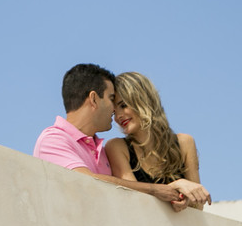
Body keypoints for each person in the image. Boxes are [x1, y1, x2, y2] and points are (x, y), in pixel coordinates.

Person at [34, 63, 209, 211]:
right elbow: (86, 180)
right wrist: (161, 189)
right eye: (112, 101)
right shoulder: (54, 140)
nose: (115, 114)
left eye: (123, 105)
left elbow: (197, 208)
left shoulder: (100, 151)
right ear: (94, 99)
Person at [106, 72, 211, 210]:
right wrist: (176, 185)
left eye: (124, 105)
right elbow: (132, 198)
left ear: (143, 99)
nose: (118, 116)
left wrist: (185, 200)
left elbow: (197, 206)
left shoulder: (185, 143)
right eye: (114, 112)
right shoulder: (116, 147)